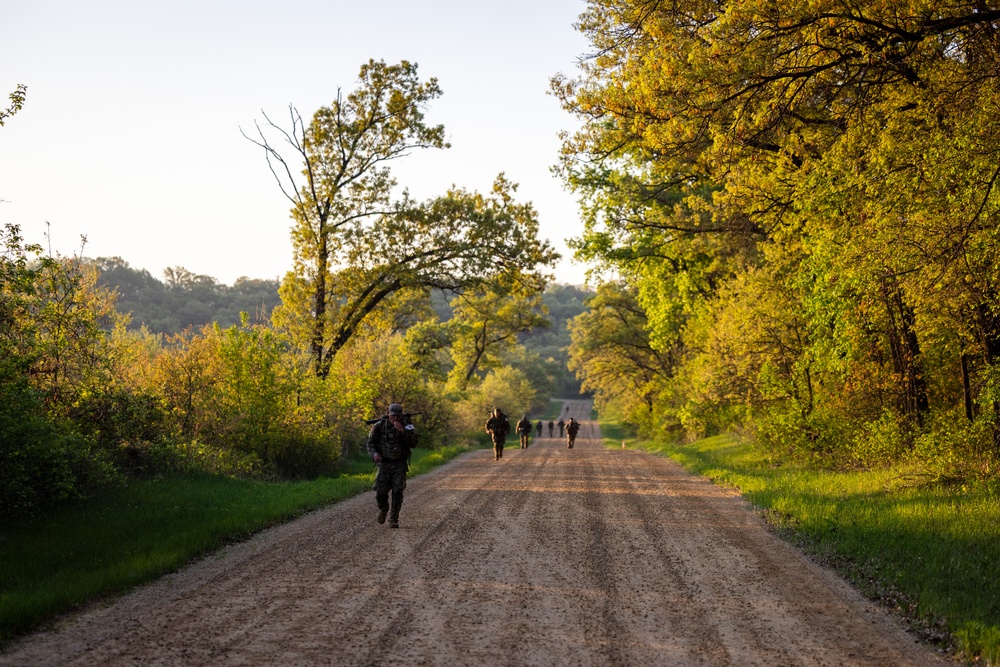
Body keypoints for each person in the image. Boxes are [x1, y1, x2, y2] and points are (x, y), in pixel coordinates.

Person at [366, 403, 418, 529]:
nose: (396, 418)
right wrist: (374, 454)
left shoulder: (406, 425)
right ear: (388, 413)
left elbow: (414, 443)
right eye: (393, 415)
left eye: (398, 416)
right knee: (380, 491)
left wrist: (403, 431)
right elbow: (370, 443)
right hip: (384, 463)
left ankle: (394, 518)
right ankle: (384, 509)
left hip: (399, 463)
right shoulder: (379, 426)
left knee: (398, 491)